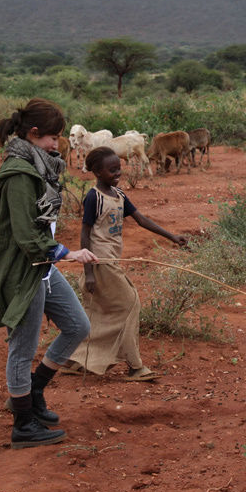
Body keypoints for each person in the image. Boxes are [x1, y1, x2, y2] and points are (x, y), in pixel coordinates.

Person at [0, 98, 98, 449]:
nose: (56, 144)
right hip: (24, 268)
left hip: (41, 265)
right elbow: (23, 233)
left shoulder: (39, 166)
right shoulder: (19, 172)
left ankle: (31, 393)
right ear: (33, 134)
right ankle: (23, 424)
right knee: (22, 347)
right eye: (52, 137)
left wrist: (55, 254)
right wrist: (67, 253)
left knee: (78, 325)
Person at [62, 146, 187, 380]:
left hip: (112, 260)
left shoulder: (119, 196)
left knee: (102, 311)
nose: (118, 173)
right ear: (97, 172)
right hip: (100, 261)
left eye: (119, 169)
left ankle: (76, 360)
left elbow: (140, 219)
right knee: (131, 304)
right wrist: (88, 271)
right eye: (112, 170)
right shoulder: (94, 197)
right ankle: (135, 366)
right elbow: (85, 234)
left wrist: (171, 236)